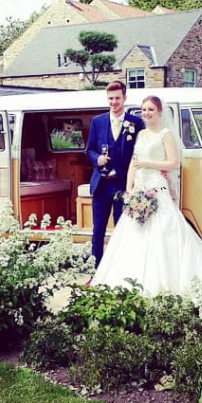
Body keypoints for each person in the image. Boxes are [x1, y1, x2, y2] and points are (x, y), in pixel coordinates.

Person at [92, 95, 202, 302]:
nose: (146, 114)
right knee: (133, 235)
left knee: (164, 233)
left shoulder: (165, 135)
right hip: (139, 189)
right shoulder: (140, 134)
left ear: (159, 112)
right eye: (144, 110)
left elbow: (173, 163)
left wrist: (148, 163)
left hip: (156, 188)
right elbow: (133, 163)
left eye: (150, 110)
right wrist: (129, 190)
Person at [86, 80, 145, 267]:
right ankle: (97, 269)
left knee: (122, 229)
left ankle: (120, 268)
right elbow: (89, 150)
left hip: (123, 184)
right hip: (102, 184)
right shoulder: (97, 121)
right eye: (110, 98)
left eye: (117, 98)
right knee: (98, 230)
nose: (114, 102)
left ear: (125, 98)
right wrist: (97, 159)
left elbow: (141, 152)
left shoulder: (136, 122)